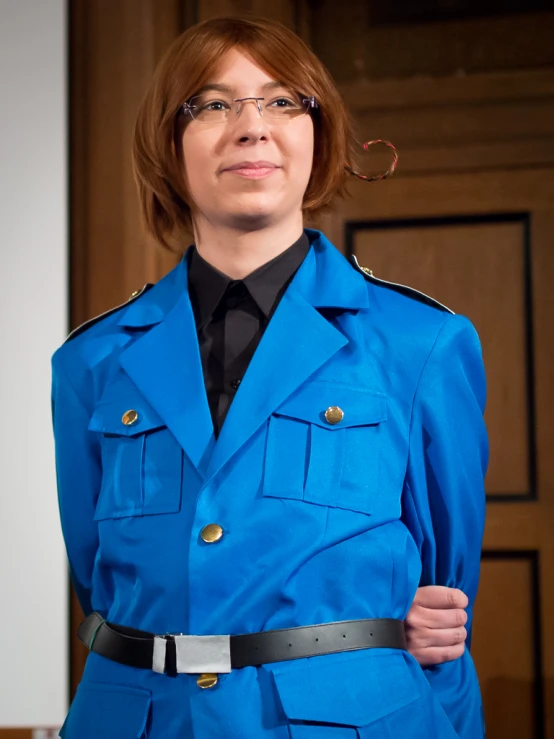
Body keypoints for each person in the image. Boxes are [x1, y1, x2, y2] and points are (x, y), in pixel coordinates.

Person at [50, 15, 488, 739]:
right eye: (212, 104)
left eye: (283, 101)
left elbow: (443, 586)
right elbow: (97, 580)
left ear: (319, 137)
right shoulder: (90, 361)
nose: (251, 127)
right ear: (169, 144)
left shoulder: (422, 343)